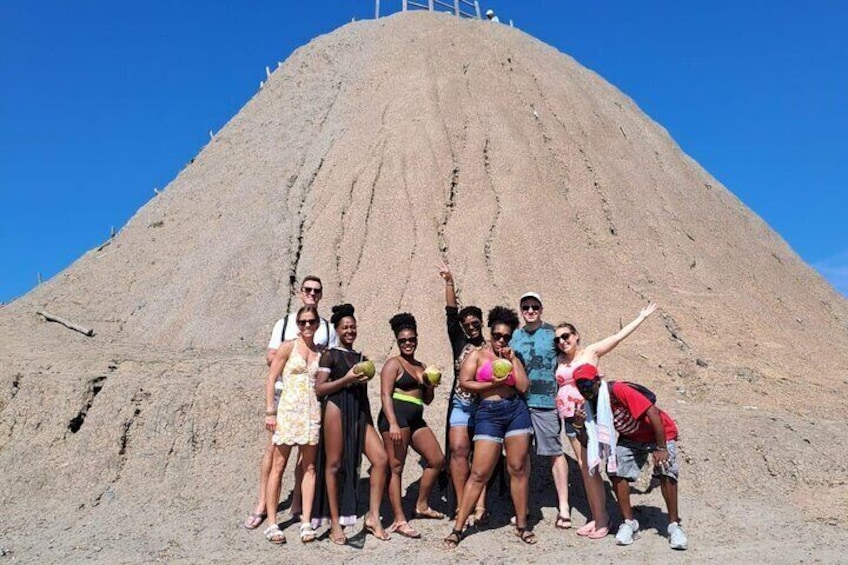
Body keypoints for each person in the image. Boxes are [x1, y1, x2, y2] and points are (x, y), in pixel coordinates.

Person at [556, 303, 658, 540]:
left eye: (566, 336)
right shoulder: (560, 359)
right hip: (571, 418)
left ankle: (604, 519)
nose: (562, 341)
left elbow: (617, 337)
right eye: (558, 339)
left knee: (593, 464)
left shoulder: (590, 353)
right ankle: (596, 516)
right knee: (585, 466)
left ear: (576, 335)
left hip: (591, 414)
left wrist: (640, 317)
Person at [243, 276, 337, 530]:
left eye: (316, 290)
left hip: (311, 400)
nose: (312, 293)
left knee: (304, 460)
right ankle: (262, 504)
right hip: (284, 396)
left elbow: (332, 360)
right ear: (300, 292)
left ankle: (297, 504)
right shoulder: (283, 324)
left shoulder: (327, 329)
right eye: (307, 289)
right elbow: (270, 356)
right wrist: (270, 409)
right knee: (273, 454)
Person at [444, 306, 535, 548]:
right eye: (497, 335)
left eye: (506, 336)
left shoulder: (513, 357)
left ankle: (522, 525)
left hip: (515, 412)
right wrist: (490, 384)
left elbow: (524, 387)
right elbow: (464, 382)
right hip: (488, 413)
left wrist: (513, 360)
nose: (501, 340)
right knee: (479, 472)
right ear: (491, 333)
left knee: (517, 468)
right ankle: (458, 528)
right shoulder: (477, 354)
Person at [573, 364, 688, 550]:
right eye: (579, 385)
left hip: (659, 433)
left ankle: (674, 525)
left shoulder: (617, 390)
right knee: (616, 468)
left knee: (666, 467)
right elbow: (588, 442)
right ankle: (629, 523)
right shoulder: (588, 405)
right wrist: (578, 425)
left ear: (597, 381)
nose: (584, 389)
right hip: (632, 437)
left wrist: (661, 447)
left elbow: (653, 413)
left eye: (587, 383)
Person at [311, 304, 390, 543]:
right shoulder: (330, 355)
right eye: (345, 327)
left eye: (353, 327)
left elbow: (364, 394)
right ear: (337, 329)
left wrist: (369, 421)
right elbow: (319, 388)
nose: (350, 331)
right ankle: (335, 523)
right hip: (336, 408)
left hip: (358, 412)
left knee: (381, 459)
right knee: (334, 465)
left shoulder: (361, 358)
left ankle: (373, 517)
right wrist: (346, 379)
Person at [377, 312, 446, 539]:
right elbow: (385, 395)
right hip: (396, 419)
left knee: (436, 460)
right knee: (397, 467)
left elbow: (427, 400)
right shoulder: (392, 364)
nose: (407, 343)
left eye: (411, 339)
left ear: (416, 339)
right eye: (402, 340)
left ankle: (421, 505)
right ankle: (399, 519)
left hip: (416, 419)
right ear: (397, 341)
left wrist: (430, 385)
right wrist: (394, 424)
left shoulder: (421, 366)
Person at [262, 305, 322, 544]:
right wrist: (270, 412)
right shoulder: (288, 347)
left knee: (309, 468)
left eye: (311, 322)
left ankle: (306, 521)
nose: (307, 326)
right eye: (302, 322)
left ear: (317, 324)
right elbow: (271, 379)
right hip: (288, 411)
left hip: (310, 413)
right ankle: (273, 523)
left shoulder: (319, 352)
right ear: (298, 324)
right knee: (279, 465)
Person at [510, 292, 570, 529]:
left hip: (546, 403)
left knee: (554, 451)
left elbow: (570, 356)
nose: (531, 310)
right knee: (522, 456)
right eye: (526, 307)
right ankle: (524, 508)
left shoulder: (553, 333)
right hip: (520, 403)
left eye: (535, 306)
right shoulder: (514, 336)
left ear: (541, 309)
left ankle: (564, 507)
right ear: (521, 310)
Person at [438, 263, 488, 525]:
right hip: (460, 404)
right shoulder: (460, 342)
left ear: (482, 323)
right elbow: (450, 313)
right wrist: (449, 281)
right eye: (467, 324)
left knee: (481, 454)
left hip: (485, 407)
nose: (471, 327)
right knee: (458, 450)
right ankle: (461, 504)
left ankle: (480, 506)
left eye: (475, 323)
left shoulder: (492, 348)